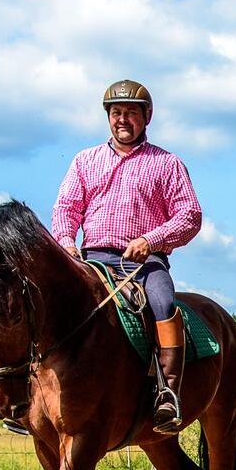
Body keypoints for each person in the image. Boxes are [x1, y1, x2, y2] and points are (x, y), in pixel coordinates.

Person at [52, 79, 202, 433]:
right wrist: (65, 241)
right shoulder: (84, 161)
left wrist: (152, 240)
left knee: (164, 304)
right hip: (91, 257)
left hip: (144, 263)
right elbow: (66, 207)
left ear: (146, 117)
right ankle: (28, 393)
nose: (122, 120)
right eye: (116, 113)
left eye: (130, 113)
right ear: (108, 117)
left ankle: (168, 393)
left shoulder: (167, 164)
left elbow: (190, 215)